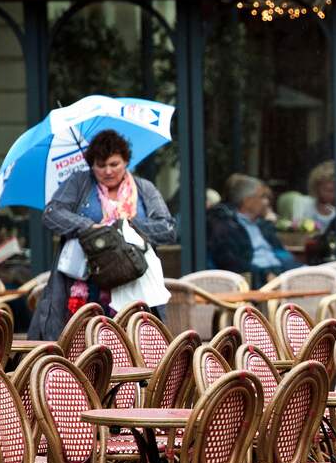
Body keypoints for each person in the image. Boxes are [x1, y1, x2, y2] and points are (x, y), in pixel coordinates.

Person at [28, 129, 177, 341]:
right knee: (84, 346)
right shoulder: (79, 182)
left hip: (135, 286)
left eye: (114, 164)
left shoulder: (144, 188)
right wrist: (89, 226)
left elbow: (168, 228)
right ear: (92, 165)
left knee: (134, 347)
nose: (108, 171)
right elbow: (52, 214)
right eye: (100, 165)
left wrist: (127, 225)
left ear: (126, 161)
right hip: (86, 287)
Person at [206, 174, 299, 287]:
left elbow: (282, 254)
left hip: (281, 274)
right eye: (262, 197)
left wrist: (297, 270)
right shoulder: (227, 227)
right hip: (259, 281)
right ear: (247, 201)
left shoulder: (262, 225)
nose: (267, 202)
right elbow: (233, 263)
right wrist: (264, 275)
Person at [299, 160, 336, 232]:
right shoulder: (304, 204)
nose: (331, 194)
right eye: (326, 190)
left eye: (334, 190)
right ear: (316, 188)